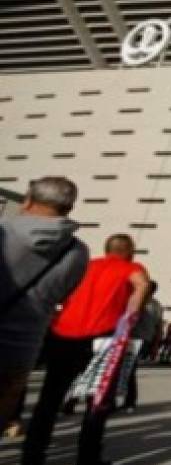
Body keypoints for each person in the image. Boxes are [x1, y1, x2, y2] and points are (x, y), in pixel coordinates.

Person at [20, 232, 150, 465]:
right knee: (97, 401)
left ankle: (30, 464)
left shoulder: (87, 266)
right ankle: (86, 461)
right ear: (130, 250)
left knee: (48, 400)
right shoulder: (131, 267)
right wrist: (132, 313)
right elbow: (142, 284)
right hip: (102, 338)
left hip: (63, 333)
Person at [0, 176, 89, 431]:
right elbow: (64, 294)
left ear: (28, 200)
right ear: (69, 209)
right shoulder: (77, 251)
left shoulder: (5, 231)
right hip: (24, 347)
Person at [123, 280, 163, 412]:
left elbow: (158, 328)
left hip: (135, 339)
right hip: (142, 340)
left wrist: (155, 346)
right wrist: (155, 346)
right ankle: (128, 400)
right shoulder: (157, 305)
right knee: (128, 369)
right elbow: (159, 328)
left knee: (128, 369)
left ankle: (129, 401)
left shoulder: (144, 303)